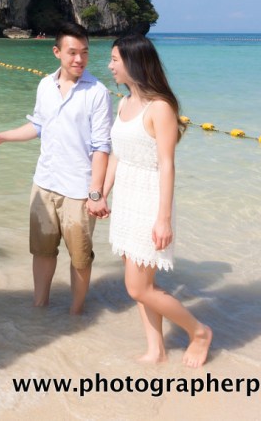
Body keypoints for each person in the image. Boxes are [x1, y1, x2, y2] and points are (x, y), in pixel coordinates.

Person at [0, 23, 112, 315]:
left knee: (80, 258)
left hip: (79, 190)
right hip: (44, 183)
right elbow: (37, 125)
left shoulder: (97, 92)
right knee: (42, 251)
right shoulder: (45, 85)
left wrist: (96, 192)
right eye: (72, 53)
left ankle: (76, 314)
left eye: (84, 53)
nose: (79, 60)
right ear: (57, 52)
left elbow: (101, 147)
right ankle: (40, 307)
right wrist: (2, 137)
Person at [102, 35, 212, 367]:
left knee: (137, 288)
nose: (109, 66)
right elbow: (116, 156)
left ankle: (200, 332)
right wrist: (101, 194)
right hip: (125, 199)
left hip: (150, 201)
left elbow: (167, 164)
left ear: (134, 62)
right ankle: (156, 350)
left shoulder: (160, 107)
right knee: (142, 284)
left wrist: (163, 219)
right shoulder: (123, 103)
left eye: (115, 60)